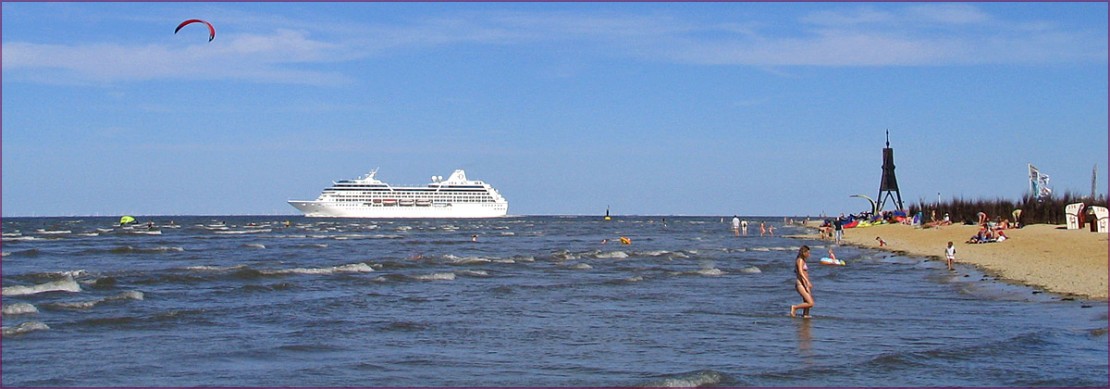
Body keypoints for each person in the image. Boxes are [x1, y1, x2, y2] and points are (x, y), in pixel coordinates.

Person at [790, 245, 814, 318]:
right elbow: (800, 272)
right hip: (800, 283)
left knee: (806, 301)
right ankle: (794, 307)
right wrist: (807, 281)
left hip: (804, 283)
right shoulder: (800, 260)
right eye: (808, 253)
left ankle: (805, 316)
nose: (809, 255)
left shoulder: (803, 260)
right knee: (811, 303)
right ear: (804, 252)